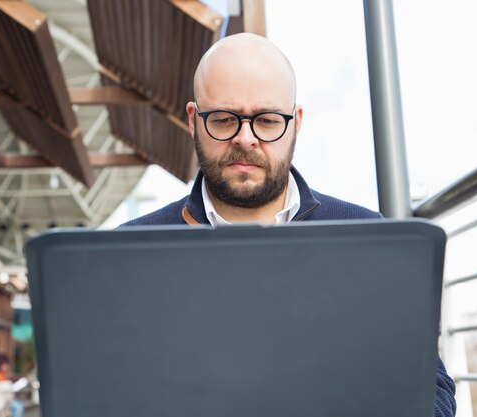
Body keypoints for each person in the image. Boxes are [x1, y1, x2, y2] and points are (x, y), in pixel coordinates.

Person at [121, 33, 456, 416]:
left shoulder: (366, 236)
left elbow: (430, 387)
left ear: (295, 123)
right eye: (224, 119)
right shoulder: (129, 253)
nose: (245, 139)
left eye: (265, 120)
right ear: (194, 121)